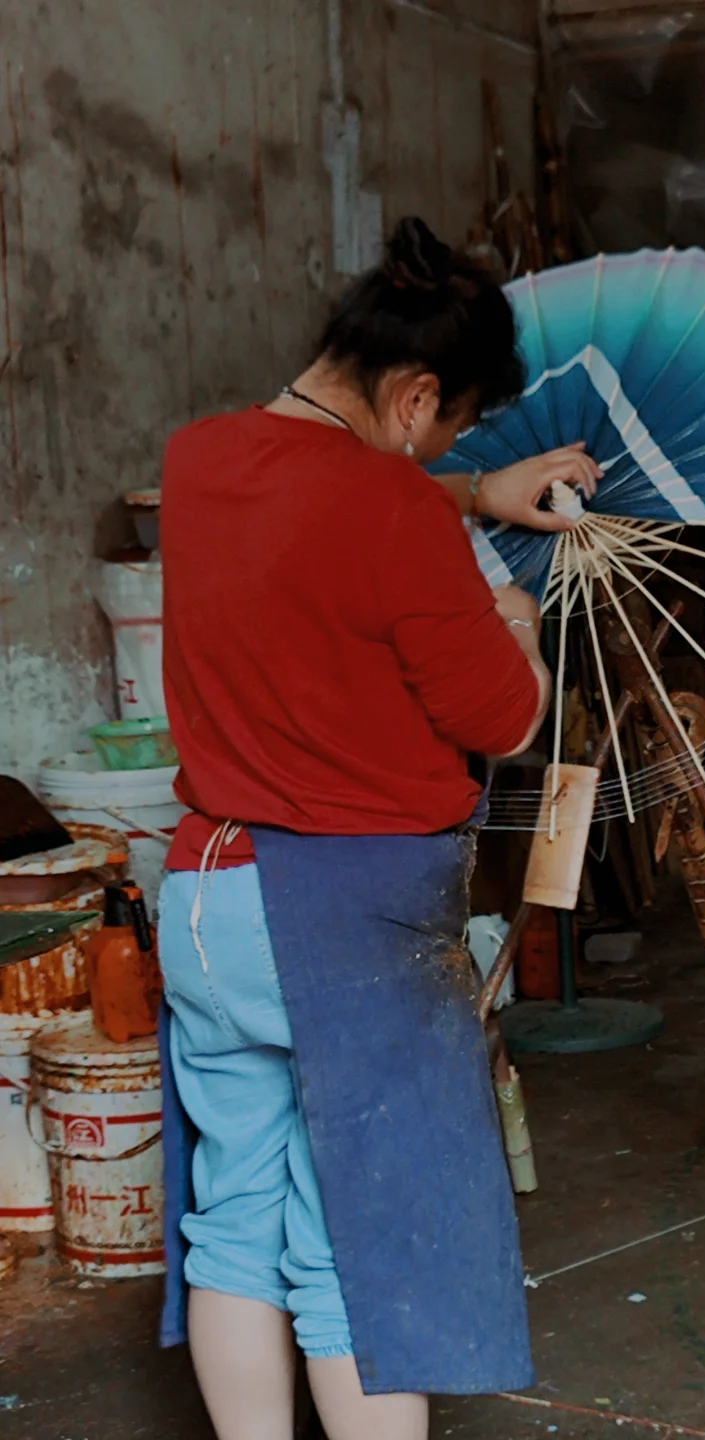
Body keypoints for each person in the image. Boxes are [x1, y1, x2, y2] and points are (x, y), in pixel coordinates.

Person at [157, 216, 601, 1440]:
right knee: (367, 1244)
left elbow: (315, 487)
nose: (453, 449)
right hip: (345, 927)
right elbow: (505, 722)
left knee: (236, 1219)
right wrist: (510, 608)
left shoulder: (195, 463)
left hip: (207, 900)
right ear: (414, 397)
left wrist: (463, 486)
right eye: (454, 423)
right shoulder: (401, 519)